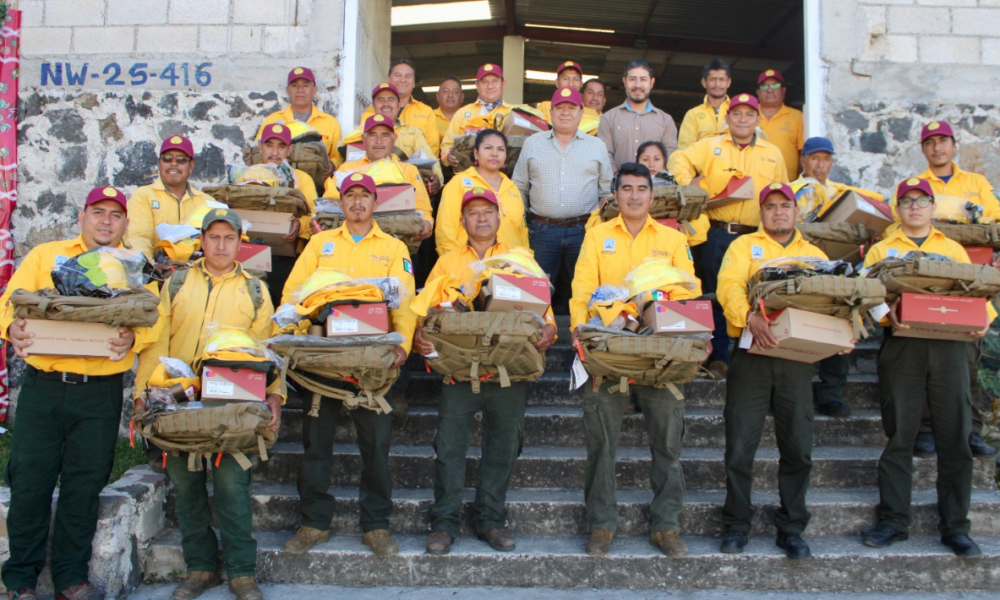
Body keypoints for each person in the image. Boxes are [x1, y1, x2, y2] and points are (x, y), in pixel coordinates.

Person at [0, 187, 162, 600]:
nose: (106, 221)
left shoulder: (134, 268)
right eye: (98, 212)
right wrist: (12, 328)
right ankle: (20, 579)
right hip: (44, 389)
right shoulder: (47, 256)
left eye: (115, 215)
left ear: (126, 223)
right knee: (30, 480)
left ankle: (70, 578)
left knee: (83, 483)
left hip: (98, 393)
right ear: (82, 217)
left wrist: (133, 340)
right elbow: (9, 303)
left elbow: (156, 322)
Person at [134, 208, 283, 600]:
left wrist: (276, 395)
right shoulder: (178, 282)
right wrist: (141, 393)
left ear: (239, 243)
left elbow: (268, 350)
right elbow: (156, 341)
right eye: (213, 237)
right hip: (180, 402)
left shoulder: (255, 290)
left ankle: (241, 572)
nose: (221, 245)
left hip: (234, 403)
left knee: (233, 486)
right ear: (202, 240)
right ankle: (200, 568)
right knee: (185, 487)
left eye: (229, 238)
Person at [281, 173, 416, 558]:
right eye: (350, 196)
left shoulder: (393, 247)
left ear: (376, 203)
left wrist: (402, 344)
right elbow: (293, 292)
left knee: (376, 446)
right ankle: (313, 523)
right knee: (315, 446)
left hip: (372, 362)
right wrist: (291, 329)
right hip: (323, 361)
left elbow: (404, 301)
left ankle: (376, 525)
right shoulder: (321, 244)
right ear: (341, 204)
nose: (357, 202)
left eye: (364, 196)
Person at [415, 188, 557, 556]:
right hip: (460, 370)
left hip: (508, 369)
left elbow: (543, 309)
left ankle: (490, 520)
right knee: (449, 447)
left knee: (503, 447)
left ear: (499, 217)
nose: (481, 218)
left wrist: (550, 329)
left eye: (488, 211)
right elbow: (426, 309)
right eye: (473, 212)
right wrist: (418, 335)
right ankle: (444, 523)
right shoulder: (446, 260)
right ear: (462, 221)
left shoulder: (520, 257)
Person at [569, 162, 700, 558]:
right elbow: (582, 288)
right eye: (626, 189)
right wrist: (580, 332)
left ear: (652, 195)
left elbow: (688, 289)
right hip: (609, 352)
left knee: (667, 443)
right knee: (601, 443)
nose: (635, 196)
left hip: (661, 353)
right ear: (615, 196)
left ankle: (666, 526)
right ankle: (602, 525)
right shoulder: (597, 236)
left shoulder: (673, 238)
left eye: (642, 188)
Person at [860, 177, 992, 559]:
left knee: (955, 438)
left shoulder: (952, 248)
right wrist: (890, 315)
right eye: (907, 201)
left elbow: (975, 291)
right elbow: (868, 297)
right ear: (898, 209)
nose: (915, 207)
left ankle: (955, 527)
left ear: (933, 207)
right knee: (900, 435)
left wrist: (984, 317)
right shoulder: (882, 249)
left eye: (922, 200)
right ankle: (894, 521)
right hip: (904, 346)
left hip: (951, 347)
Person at [716, 182, 841, 560]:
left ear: (795, 211)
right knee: (739, 447)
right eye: (770, 207)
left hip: (796, 360)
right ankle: (737, 524)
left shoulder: (814, 254)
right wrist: (747, 316)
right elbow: (728, 286)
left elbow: (833, 301)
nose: (778, 212)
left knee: (798, 448)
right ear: (762, 213)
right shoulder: (743, 247)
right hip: (752, 356)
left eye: (784, 206)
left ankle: (791, 527)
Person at [667, 93, 788, 380]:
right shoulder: (711, 146)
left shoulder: (773, 153)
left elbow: (783, 194)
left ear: (757, 119)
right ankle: (719, 356)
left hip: (758, 237)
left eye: (749, 114)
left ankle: (751, 357)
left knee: (757, 296)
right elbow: (677, 158)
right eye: (737, 114)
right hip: (718, 234)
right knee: (716, 295)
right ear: (727, 118)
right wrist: (690, 187)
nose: (743, 119)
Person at [904, 121, 999, 459]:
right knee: (929, 355)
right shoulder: (914, 189)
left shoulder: (976, 183)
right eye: (930, 142)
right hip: (929, 280)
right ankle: (927, 431)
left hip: (970, 279)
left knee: (968, 357)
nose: (937, 147)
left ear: (954, 145)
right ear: (923, 149)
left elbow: (996, 219)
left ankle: (972, 430)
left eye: (943, 141)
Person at [791, 136, 884, 420]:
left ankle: (831, 394)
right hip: (802, 266)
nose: (820, 165)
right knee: (799, 329)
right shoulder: (790, 192)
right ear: (803, 160)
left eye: (826, 159)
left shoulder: (843, 194)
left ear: (832, 162)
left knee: (841, 323)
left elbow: (877, 212)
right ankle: (795, 393)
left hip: (838, 268)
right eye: (814, 158)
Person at [512, 87, 613, 314]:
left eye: (571, 108)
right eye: (559, 108)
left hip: (585, 230)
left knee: (584, 290)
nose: (565, 113)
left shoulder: (596, 146)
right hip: (542, 230)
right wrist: (523, 221)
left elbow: (606, 190)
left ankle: (579, 342)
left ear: (581, 112)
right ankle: (538, 339)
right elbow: (519, 186)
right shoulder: (533, 143)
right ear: (551, 112)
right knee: (537, 291)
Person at [323, 114, 434, 242]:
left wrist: (427, 223)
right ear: (363, 139)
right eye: (372, 135)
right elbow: (327, 205)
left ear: (394, 139)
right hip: (354, 241)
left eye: (385, 135)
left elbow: (423, 207)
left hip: (398, 240)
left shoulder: (409, 170)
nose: (379, 141)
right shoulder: (346, 170)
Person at [253, 123, 319, 307]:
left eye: (281, 146)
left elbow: (315, 215)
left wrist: (300, 224)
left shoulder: (302, 179)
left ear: (289, 150)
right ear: (260, 147)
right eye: (269, 145)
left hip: (288, 257)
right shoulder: (247, 176)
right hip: (252, 253)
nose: (275, 152)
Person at [436, 129, 528, 257]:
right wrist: (455, 264)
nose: (495, 154)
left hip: (509, 266)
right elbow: (445, 232)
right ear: (476, 153)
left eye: (501, 149)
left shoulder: (512, 187)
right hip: (469, 265)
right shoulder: (458, 183)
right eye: (488, 148)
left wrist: (523, 262)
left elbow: (522, 233)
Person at [126, 135, 213, 261]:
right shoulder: (143, 195)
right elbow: (138, 238)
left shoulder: (207, 202)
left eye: (181, 160)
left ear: (191, 166)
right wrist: (151, 269)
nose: (173, 163)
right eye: (167, 159)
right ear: (159, 163)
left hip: (198, 272)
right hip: (158, 270)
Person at [597, 59, 678, 170]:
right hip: (618, 186)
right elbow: (605, 156)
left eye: (643, 79)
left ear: (652, 82)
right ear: (624, 82)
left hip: (655, 187)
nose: (637, 85)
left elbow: (671, 159)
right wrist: (618, 179)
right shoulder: (608, 118)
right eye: (632, 79)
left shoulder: (666, 121)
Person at [257, 66, 343, 168]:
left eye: (305, 85)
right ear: (288, 90)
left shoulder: (330, 123)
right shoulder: (272, 120)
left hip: (317, 181)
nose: (300, 90)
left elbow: (338, 157)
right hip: (279, 180)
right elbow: (258, 151)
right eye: (294, 85)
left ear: (314, 90)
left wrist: (331, 166)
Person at [635, 141, 710, 248]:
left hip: (670, 237)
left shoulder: (675, 184)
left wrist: (683, 229)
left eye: (657, 159)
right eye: (645, 159)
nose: (651, 164)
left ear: (664, 161)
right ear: (637, 162)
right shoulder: (628, 184)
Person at [359, 59, 440, 157]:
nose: (403, 80)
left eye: (408, 76)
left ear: (414, 82)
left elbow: (432, 149)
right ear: (388, 79)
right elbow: (362, 141)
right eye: (398, 75)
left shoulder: (426, 112)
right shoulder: (372, 110)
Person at [441, 63, 512, 162]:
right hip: (467, 174)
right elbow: (446, 145)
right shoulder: (462, 113)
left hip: (503, 175)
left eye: (495, 81)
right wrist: (448, 157)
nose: (490, 86)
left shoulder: (513, 113)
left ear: (503, 84)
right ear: (477, 85)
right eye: (484, 82)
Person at [756, 69, 803, 179]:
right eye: (764, 86)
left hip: (787, 185)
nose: (770, 90)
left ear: (784, 90)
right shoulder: (748, 115)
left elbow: (803, 153)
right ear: (758, 92)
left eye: (775, 85)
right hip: (753, 183)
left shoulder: (797, 116)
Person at [677, 60, 732, 151]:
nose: (717, 84)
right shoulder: (693, 114)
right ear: (704, 82)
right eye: (712, 79)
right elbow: (685, 151)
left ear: (728, 82)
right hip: (702, 165)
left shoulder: (738, 112)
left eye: (722, 79)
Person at [434, 76, 465, 147]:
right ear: (437, 96)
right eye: (445, 91)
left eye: (455, 92)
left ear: (462, 97)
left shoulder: (471, 118)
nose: (450, 95)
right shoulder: (429, 118)